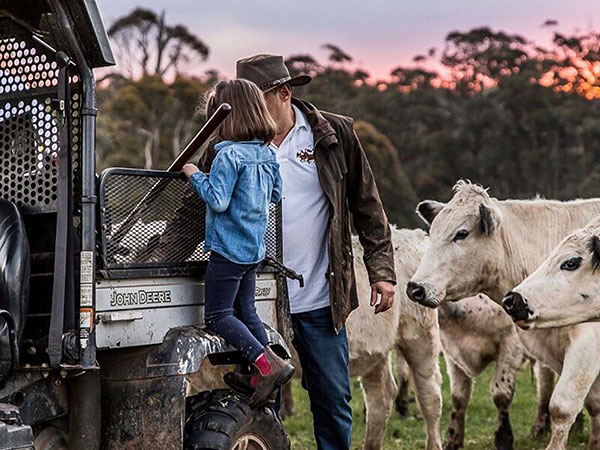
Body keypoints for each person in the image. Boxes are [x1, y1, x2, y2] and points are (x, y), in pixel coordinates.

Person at [156, 54, 396, 450]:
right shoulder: (224, 146)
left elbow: (366, 205)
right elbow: (189, 215)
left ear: (284, 94)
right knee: (258, 399)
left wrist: (381, 269)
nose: (234, 114)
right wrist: (157, 258)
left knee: (332, 399)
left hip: (319, 294)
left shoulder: (333, 135)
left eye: (252, 100)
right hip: (262, 295)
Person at [181, 78, 294, 407]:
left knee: (218, 315)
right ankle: (270, 368)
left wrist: (194, 174)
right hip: (253, 250)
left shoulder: (226, 155)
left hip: (228, 250)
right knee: (246, 310)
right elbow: (276, 194)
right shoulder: (267, 153)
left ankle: (264, 363)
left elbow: (217, 200)